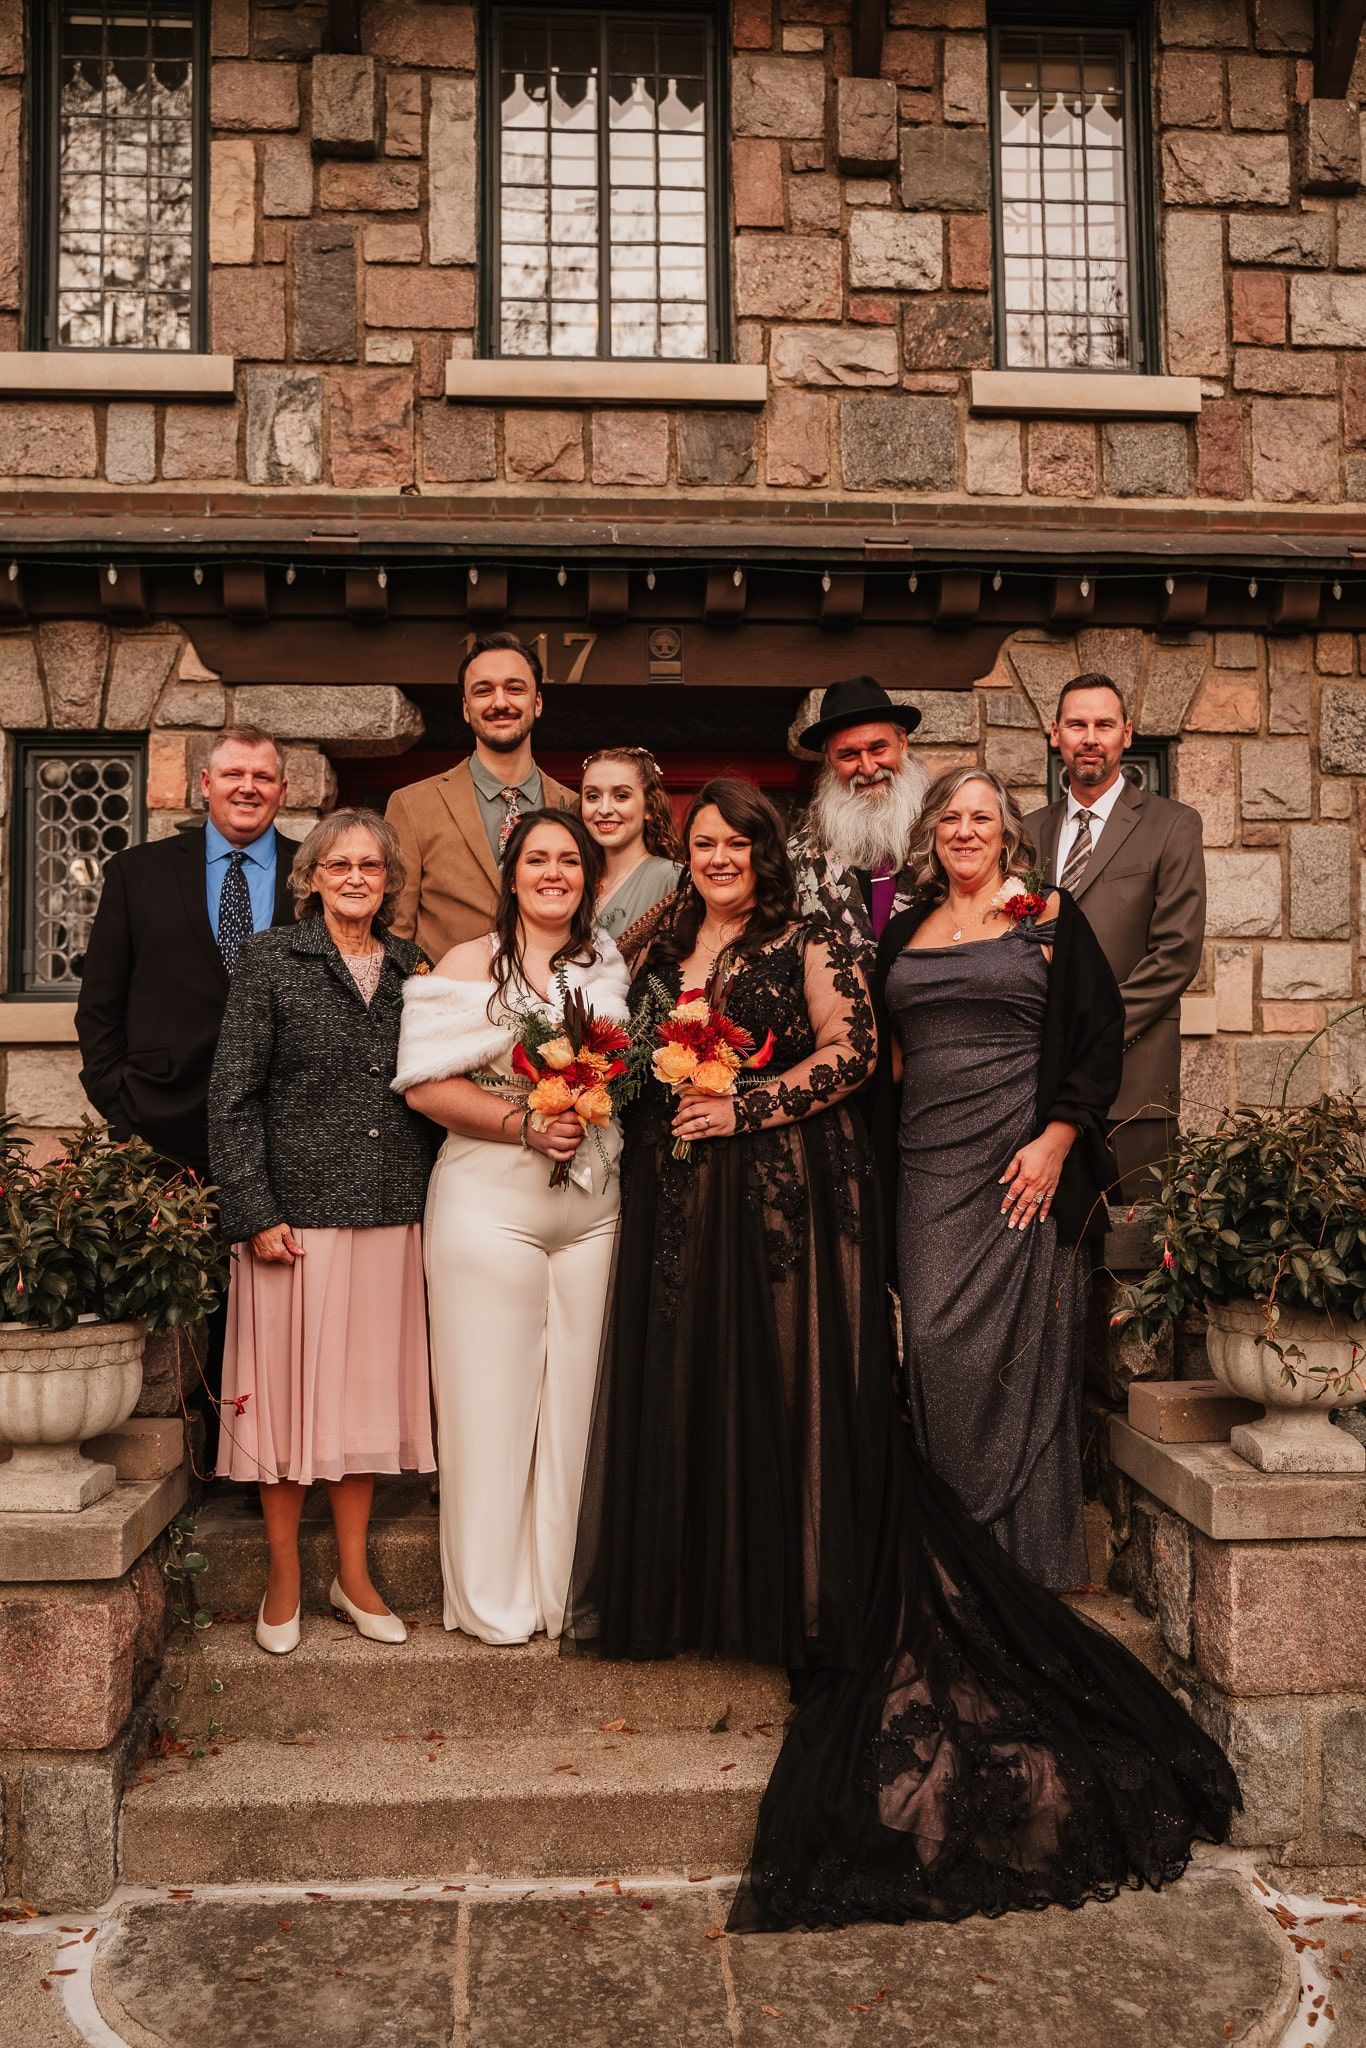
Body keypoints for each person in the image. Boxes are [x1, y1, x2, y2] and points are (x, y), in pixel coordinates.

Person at [566, 774, 1236, 1936]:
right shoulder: (673, 931)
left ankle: (978, 1564)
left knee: (872, 1380)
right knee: (716, 1397)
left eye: (740, 841)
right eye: (706, 841)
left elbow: (856, 1051)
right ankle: (714, 1586)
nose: (721, 855)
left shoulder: (843, 931)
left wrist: (745, 1104)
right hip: (704, 1200)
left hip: (797, 1187)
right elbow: (619, 1030)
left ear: (770, 851)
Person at [872, 767, 1122, 1589]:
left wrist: (1054, 1142)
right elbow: (887, 1054)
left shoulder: (1048, 914)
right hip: (929, 1169)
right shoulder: (903, 932)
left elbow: (1099, 1036)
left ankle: (1028, 1572)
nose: (966, 831)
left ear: (1007, 831)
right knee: (938, 1347)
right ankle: (952, 1558)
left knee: (1025, 1356)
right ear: (932, 834)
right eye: (951, 817)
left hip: (1023, 1169)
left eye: (982, 817)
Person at [394, 810, 629, 1645]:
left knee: (575, 1416)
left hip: (595, 1211)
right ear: (512, 871)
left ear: (590, 877)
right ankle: (494, 1606)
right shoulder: (468, 963)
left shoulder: (608, 962)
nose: (554, 873)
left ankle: (567, 1595)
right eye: (538, 859)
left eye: (570, 860)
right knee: (489, 1410)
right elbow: (424, 1087)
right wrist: (524, 1125)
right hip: (489, 1207)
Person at [207, 809, 436, 1657]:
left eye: (370, 867)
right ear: (309, 878)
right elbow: (232, 1094)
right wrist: (254, 1210)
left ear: (388, 882)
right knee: (282, 1406)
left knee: (359, 1404)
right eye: (337, 865)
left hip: (387, 1212)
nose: (353, 878)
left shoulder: (416, 969)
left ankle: (354, 1572)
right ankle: (282, 1575)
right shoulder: (271, 960)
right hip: (291, 1218)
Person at [76, 724, 294, 1467]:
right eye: (233, 773)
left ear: (282, 791)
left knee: (267, 1303)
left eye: (263, 777)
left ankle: (258, 1461)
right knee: (173, 1304)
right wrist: (119, 1103)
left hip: (277, 1127)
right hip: (162, 1125)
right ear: (204, 784)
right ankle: (182, 1465)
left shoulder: (311, 873)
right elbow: (100, 1003)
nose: (248, 788)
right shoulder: (138, 872)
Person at [1024, 673, 1206, 1196]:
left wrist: (1092, 1030)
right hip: (1039, 1079)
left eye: (1104, 724)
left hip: (1134, 1083)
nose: (1090, 737)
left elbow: (1175, 954)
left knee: (1134, 1252)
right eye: (1077, 724)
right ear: (1054, 733)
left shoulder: (1173, 825)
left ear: (1127, 734)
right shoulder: (1027, 832)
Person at [385, 632, 577, 962]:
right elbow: (394, 933)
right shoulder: (412, 806)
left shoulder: (575, 807)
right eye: (483, 690)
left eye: (515, 688)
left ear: (538, 702)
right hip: (447, 1004)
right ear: (465, 708)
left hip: (554, 1002)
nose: (500, 702)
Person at [787, 675, 930, 965]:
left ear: (902, 743)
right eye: (848, 755)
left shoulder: (945, 836)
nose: (867, 767)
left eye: (878, 748)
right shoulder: (796, 857)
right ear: (829, 760)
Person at [580, 746, 683, 941]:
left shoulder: (673, 878)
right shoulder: (577, 879)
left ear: (649, 807)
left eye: (621, 796)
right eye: (593, 796)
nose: (604, 809)